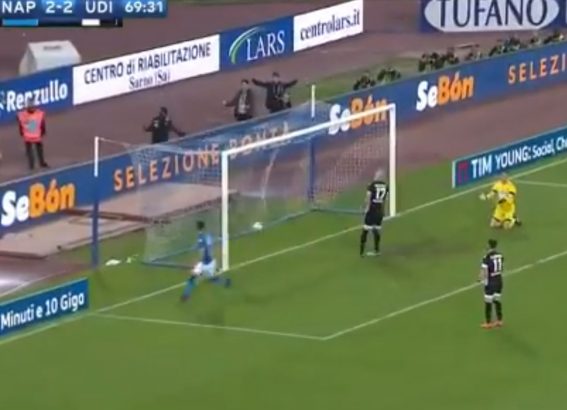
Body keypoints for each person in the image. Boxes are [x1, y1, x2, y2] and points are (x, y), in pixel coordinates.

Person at [181, 220, 231, 301]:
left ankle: (186, 295)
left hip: (205, 264)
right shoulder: (208, 236)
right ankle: (225, 282)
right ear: (204, 227)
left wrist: (196, 262)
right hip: (211, 262)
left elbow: (202, 250)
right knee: (211, 279)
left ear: (197, 228)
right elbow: (210, 246)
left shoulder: (200, 238)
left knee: (192, 279)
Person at [360, 169, 389, 257]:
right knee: (376, 230)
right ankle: (376, 250)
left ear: (377, 176)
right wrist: (384, 211)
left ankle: (361, 252)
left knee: (365, 230)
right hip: (379, 211)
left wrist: (366, 208)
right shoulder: (386, 186)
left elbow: (368, 198)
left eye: (376, 174)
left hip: (371, 211)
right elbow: (385, 200)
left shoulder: (372, 185)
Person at [479, 239, 504, 329]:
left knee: (488, 302)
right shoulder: (500, 255)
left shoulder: (486, 257)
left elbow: (484, 271)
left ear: (489, 246)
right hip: (499, 280)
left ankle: (488, 323)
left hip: (491, 282)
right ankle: (499, 320)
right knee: (497, 300)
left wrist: (481, 279)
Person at [17, 99, 48, 170]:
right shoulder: (39, 114)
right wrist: (43, 132)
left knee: (29, 151)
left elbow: (20, 125)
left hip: (27, 137)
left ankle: (32, 165)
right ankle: (42, 163)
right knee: (39, 150)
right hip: (37, 136)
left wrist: (21, 133)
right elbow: (42, 125)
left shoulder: (22, 115)